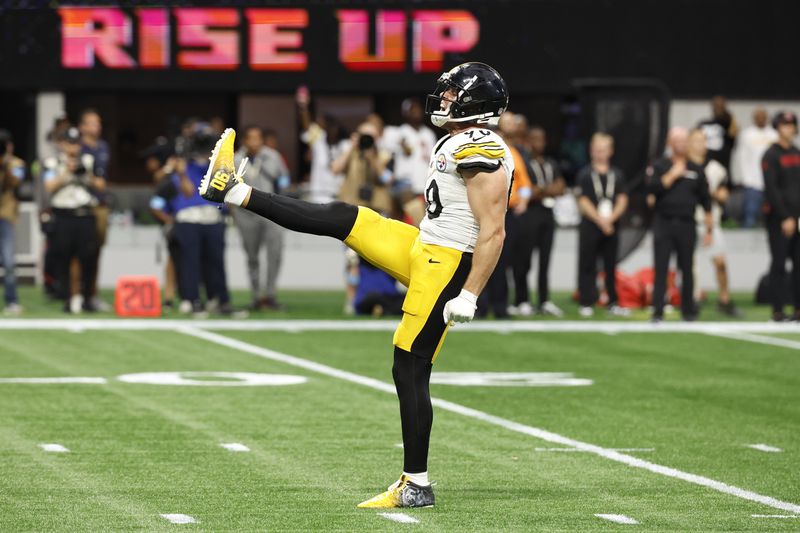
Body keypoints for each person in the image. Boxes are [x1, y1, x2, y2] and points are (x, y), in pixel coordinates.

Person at [199, 62, 512, 508]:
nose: (442, 100)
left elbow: (494, 230)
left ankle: (415, 484)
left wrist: (470, 294)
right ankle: (232, 191)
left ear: (475, 102)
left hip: (449, 264)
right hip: (426, 245)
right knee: (346, 218)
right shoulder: (461, 139)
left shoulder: (481, 147)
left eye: (450, 94)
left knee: (409, 366)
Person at [647, 127, 713, 322]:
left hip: (687, 223)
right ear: (670, 142)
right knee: (661, 267)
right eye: (677, 140)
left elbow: (706, 200)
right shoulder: (659, 165)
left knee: (687, 268)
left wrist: (709, 229)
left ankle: (688, 310)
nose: (681, 144)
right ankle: (658, 310)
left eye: (684, 141)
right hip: (664, 222)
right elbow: (652, 189)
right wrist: (673, 174)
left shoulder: (696, 169)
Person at [42, 127, 106, 313]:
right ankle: (68, 297)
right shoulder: (53, 163)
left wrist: (85, 174)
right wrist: (66, 173)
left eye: (76, 143)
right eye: (70, 143)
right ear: (62, 143)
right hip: (63, 215)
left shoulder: (88, 161)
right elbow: (49, 186)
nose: (73, 148)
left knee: (87, 257)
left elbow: (101, 185)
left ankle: (87, 298)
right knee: (63, 258)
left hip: (84, 214)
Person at [477, 112, 531, 319]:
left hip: (507, 213)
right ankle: (481, 305)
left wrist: (524, 201)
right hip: (487, 211)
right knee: (483, 259)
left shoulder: (514, 153)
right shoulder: (483, 151)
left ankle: (499, 305)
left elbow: (524, 183)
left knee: (503, 261)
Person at [233, 126, 290, 310]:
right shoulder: (236, 159)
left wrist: (282, 195)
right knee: (252, 256)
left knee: (275, 253)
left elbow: (284, 178)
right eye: (251, 138)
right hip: (245, 214)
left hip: (271, 211)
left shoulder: (272, 156)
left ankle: (270, 294)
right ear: (244, 141)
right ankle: (256, 296)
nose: (256, 142)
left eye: (258, 138)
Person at [511, 126, 565, 316]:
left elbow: (561, 188)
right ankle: (522, 299)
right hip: (529, 214)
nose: (539, 143)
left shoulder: (550, 163)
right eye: (535, 139)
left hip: (548, 214)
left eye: (541, 139)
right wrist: (543, 190)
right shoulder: (524, 162)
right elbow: (525, 189)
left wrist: (540, 190)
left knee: (545, 259)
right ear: (528, 141)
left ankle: (544, 300)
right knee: (524, 259)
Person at [687, 129, 740, 316]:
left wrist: (705, 190)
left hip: (711, 220)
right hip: (689, 220)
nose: (700, 144)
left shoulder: (716, 168)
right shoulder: (683, 166)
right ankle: (692, 300)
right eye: (695, 140)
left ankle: (724, 299)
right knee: (690, 266)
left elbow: (724, 195)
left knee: (720, 262)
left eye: (703, 140)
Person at [576, 133, 629, 317]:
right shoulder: (585, 174)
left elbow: (622, 199)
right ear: (591, 151)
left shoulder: (617, 174)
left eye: (604, 150)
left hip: (611, 225)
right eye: (597, 150)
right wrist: (599, 219)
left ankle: (612, 300)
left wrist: (611, 219)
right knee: (587, 263)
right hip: (591, 224)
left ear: (610, 151)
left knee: (610, 264)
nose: (600, 153)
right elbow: (582, 200)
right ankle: (586, 300)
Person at [762, 111, 800, 322]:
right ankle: (777, 310)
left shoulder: (797, 152)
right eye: (785, 125)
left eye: (791, 125)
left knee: (799, 263)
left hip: (799, 217)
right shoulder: (771, 155)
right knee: (779, 262)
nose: (789, 128)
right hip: (779, 218)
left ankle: (798, 308)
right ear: (777, 127)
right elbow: (772, 189)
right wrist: (785, 216)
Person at [382, 99, 438, 225]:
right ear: (406, 113)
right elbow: (387, 155)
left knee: (421, 220)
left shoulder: (428, 133)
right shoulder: (399, 132)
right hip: (404, 183)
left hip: (424, 182)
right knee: (407, 221)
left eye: (418, 109)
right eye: (412, 110)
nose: (416, 112)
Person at [78, 108, 112, 311]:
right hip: (81, 206)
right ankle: (75, 295)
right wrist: (91, 180)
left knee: (96, 251)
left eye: (98, 123)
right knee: (79, 253)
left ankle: (92, 293)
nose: (96, 127)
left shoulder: (103, 147)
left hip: (100, 205)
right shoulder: (77, 147)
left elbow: (104, 179)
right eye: (92, 123)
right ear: (82, 126)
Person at [296, 87, 351, 203]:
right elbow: (308, 127)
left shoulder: (346, 145)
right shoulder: (319, 140)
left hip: (338, 195)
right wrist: (303, 108)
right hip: (317, 194)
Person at [736, 108, 777, 227]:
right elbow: (742, 157)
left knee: (772, 216)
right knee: (750, 214)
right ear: (753, 118)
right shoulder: (747, 134)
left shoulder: (773, 134)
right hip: (753, 182)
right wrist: (745, 178)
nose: (761, 119)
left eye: (763, 116)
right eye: (758, 116)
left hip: (771, 182)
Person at [0, 129, 24, 315]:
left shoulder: (16, 164)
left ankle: (12, 300)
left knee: (8, 261)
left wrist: (5, 166)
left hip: (6, 216)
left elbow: (14, 183)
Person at [697, 96, 738, 173]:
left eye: (721, 105)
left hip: (723, 165)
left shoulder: (727, 123)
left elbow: (734, 132)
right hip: (705, 165)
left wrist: (729, 116)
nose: (718, 108)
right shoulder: (703, 124)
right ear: (712, 107)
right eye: (716, 105)